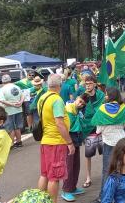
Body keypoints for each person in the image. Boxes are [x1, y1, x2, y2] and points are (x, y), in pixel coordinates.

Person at [37, 74, 75, 203]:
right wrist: (69, 142)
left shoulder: (42, 98)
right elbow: (59, 123)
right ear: (60, 85)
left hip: (45, 141)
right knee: (54, 177)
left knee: (45, 174)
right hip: (56, 142)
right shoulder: (57, 100)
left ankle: (39, 200)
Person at [91, 88, 125, 203]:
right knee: (122, 169)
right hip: (121, 142)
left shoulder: (102, 109)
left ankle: (103, 197)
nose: (105, 96)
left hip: (109, 143)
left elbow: (98, 130)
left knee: (107, 170)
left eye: (106, 94)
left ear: (109, 96)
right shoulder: (123, 108)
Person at [75, 75, 106, 189]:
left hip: (101, 127)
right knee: (88, 155)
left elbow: (104, 109)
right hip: (88, 128)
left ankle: (107, 175)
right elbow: (76, 108)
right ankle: (88, 177)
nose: (87, 85)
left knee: (105, 152)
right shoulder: (82, 96)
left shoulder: (101, 95)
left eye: (90, 83)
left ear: (95, 84)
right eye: (86, 84)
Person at [0, 74, 24, 148]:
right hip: (18, 109)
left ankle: (11, 144)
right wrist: (20, 102)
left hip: (8, 110)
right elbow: (22, 95)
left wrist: (12, 104)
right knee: (17, 127)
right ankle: (19, 142)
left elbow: (2, 100)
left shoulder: (2, 89)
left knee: (10, 128)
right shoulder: (16, 87)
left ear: (2, 81)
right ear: (10, 80)